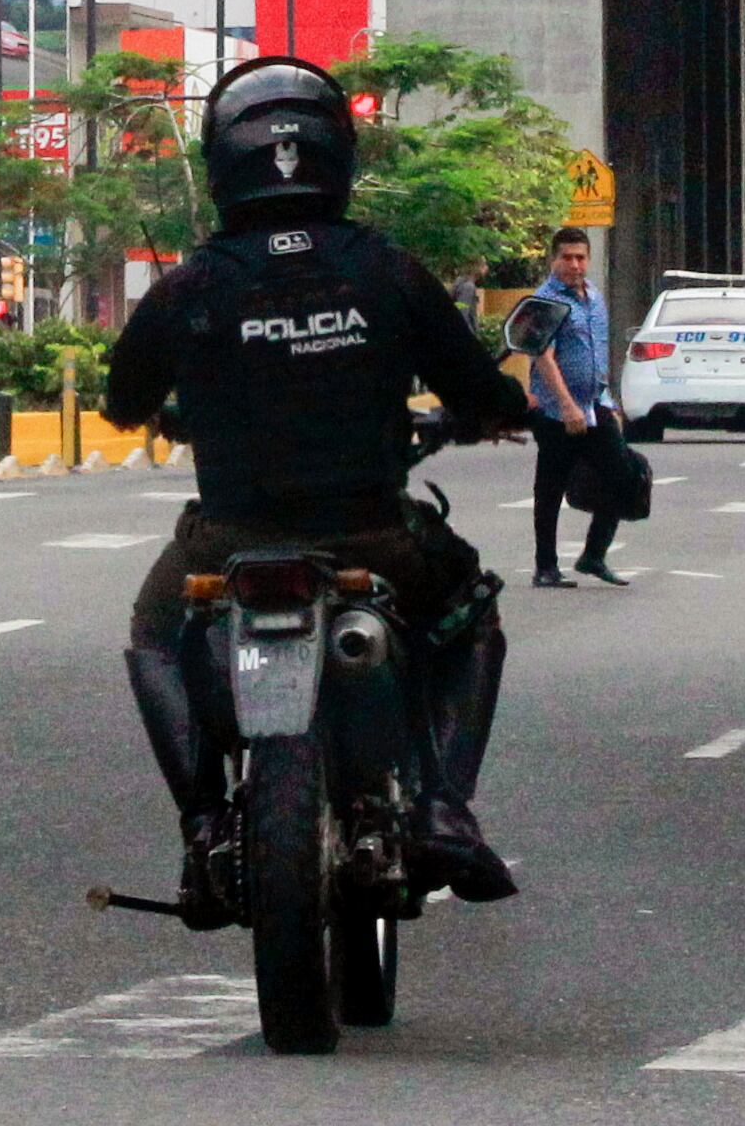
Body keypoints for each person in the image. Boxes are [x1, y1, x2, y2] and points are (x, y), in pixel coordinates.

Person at [101, 57, 534, 918]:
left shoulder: (193, 284)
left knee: (157, 632)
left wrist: (181, 410)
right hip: (374, 534)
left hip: (229, 540)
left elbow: (124, 403)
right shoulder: (386, 269)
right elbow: (478, 392)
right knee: (471, 615)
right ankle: (444, 804)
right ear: (339, 155)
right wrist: (501, 409)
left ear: (223, 163)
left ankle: (202, 825)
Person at [519, 225, 624, 588]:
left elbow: (597, 352)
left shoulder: (594, 297)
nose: (574, 265)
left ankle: (594, 555)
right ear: (553, 260)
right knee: (550, 489)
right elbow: (544, 358)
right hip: (555, 412)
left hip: (597, 405)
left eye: (580, 257)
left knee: (622, 476)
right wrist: (566, 406)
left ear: (589, 260)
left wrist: (610, 403)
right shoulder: (544, 301)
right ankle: (545, 567)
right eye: (567, 257)